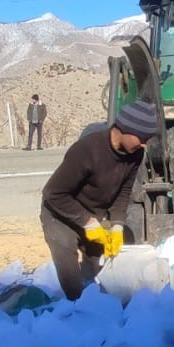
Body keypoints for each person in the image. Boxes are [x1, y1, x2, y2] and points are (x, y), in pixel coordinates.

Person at [40, 101, 159, 300]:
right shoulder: (87, 150)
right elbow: (53, 193)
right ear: (125, 129)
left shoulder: (136, 154)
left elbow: (124, 191)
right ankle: (76, 311)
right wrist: (87, 222)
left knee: (101, 275)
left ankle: (97, 309)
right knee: (72, 279)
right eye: (142, 137)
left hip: (92, 215)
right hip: (60, 214)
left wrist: (118, 225)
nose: (145, 144)